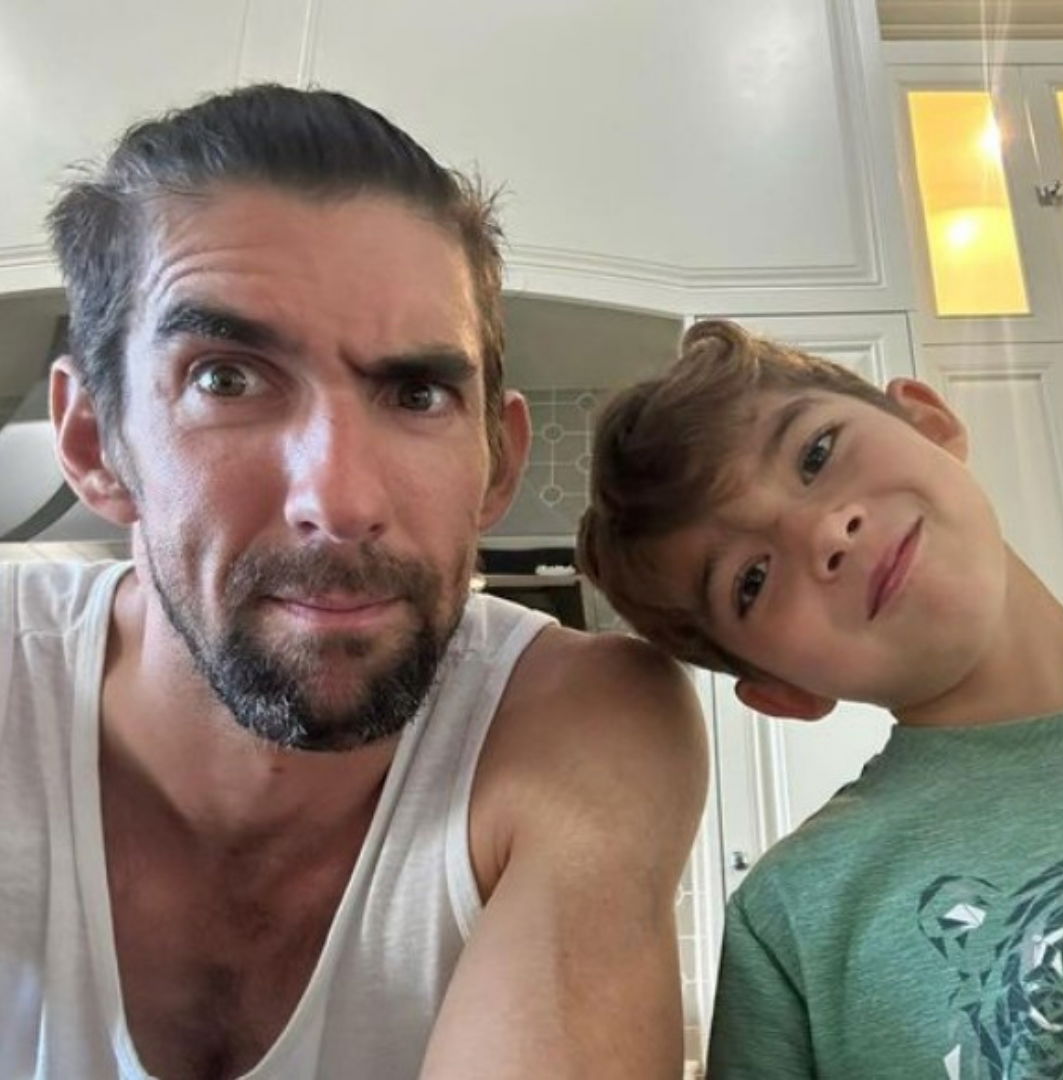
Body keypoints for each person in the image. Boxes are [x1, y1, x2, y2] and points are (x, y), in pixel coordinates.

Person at [0, 84, 708, 1080]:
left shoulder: (574, 720)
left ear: (498, 464)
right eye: (226, 378)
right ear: (92, 441)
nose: (339, 501)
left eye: (417, 393)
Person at [577, 318, 1063, 1078]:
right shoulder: (792, 916)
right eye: (751, 581)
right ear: (783, 691)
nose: (824, 532)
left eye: (816, 453)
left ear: (927, 420)